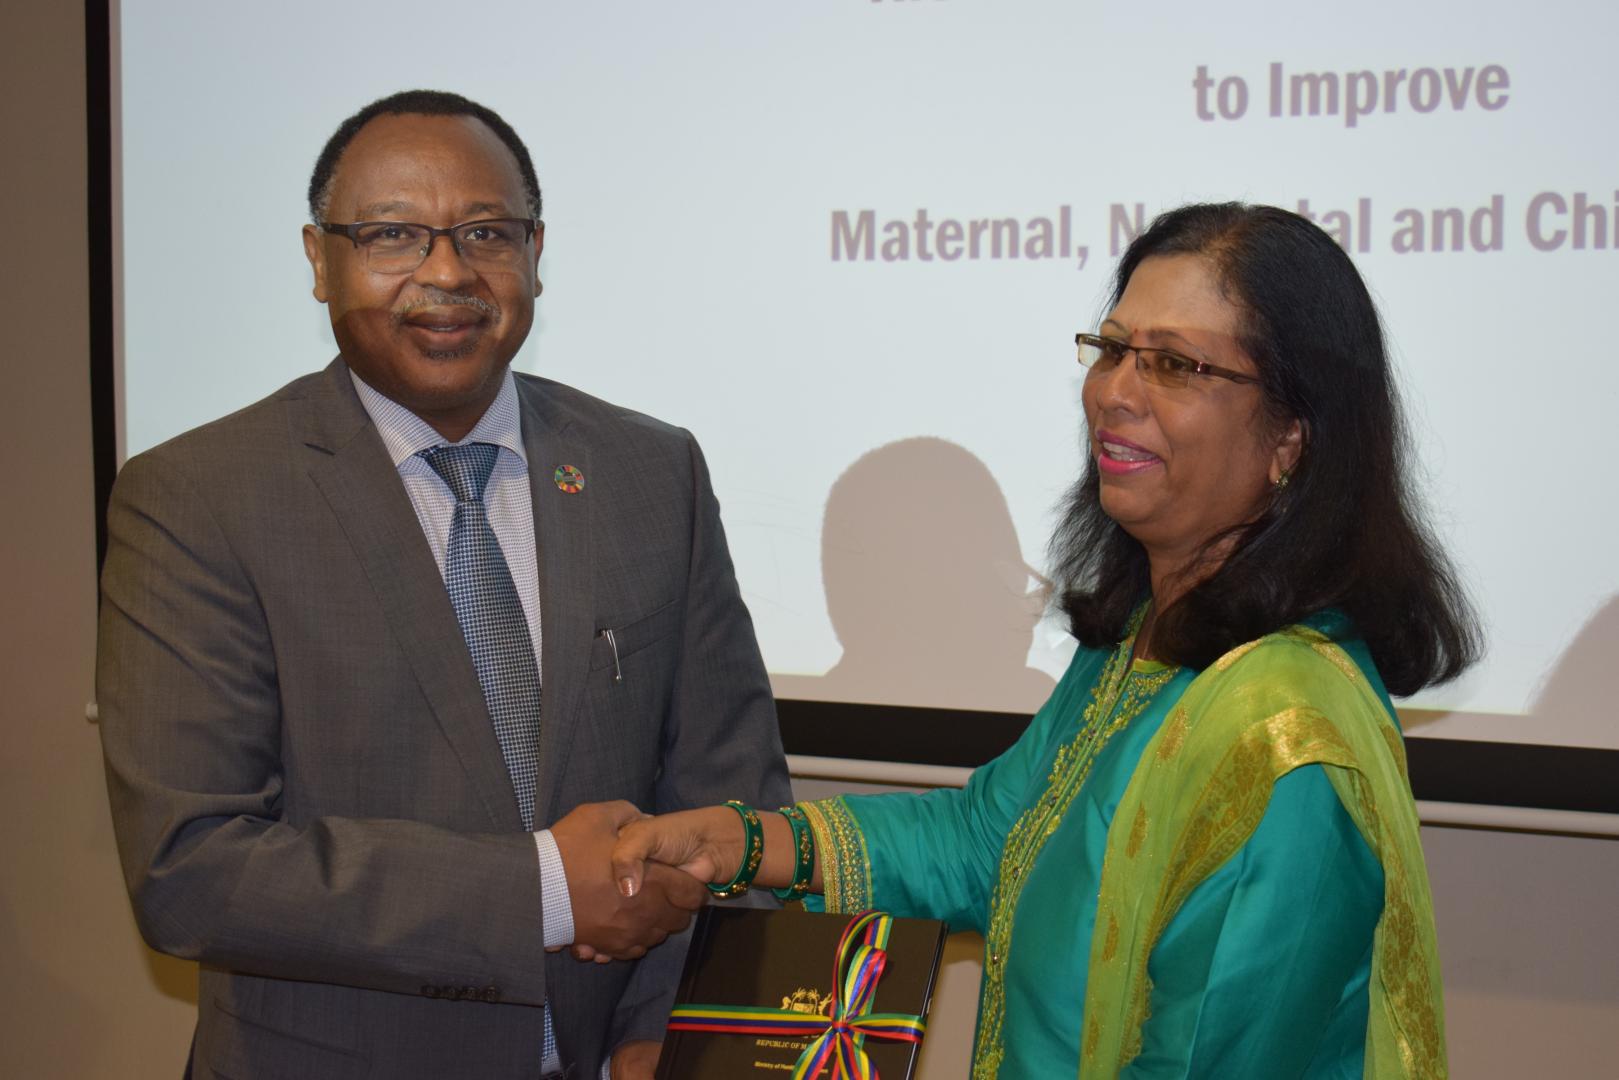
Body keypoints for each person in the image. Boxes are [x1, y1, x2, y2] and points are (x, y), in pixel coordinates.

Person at [612, 203, 1478, 1078]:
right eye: (1110, 350)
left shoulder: (1284, 741)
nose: (1114, 392)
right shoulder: (1144, 636)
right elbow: (990, 838)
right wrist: (743, 842)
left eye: (1174, 364)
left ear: (1290, 436)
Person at [96, 89, 790, 1080]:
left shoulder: (649, 471)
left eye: (485, 233)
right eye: (391, 235)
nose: (447, 273)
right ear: (317, 259)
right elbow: (192, 869)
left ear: (536, 253)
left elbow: (734, 800)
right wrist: (545, 887)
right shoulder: (198, 499)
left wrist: (666, 1030)